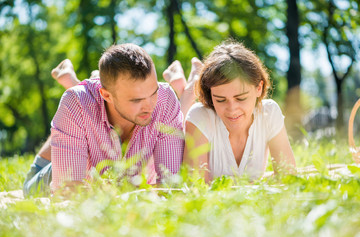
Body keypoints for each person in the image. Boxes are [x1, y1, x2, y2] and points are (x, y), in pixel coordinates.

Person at [23, 43, 192, 196]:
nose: (150, 106)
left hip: (118, 178)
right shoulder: (75, 103)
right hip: (58, 168)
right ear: (106, 95)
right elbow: (68, 193)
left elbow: (170, 186)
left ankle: (81, 81)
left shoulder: (165, 98)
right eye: (136, 100)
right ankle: (80, 86)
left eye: (153, 93)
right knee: (29, 189)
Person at [183, 40, 296, 183]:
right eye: (220, 100)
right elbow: (195, 189)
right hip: (188, 120)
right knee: (182, 112)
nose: (232, 109)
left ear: (258, 88)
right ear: (211, 95)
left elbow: (288, 178)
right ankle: (191, 82)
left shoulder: (269, 113)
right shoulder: (200, 116)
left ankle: (195, 76)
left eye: (241, 98)